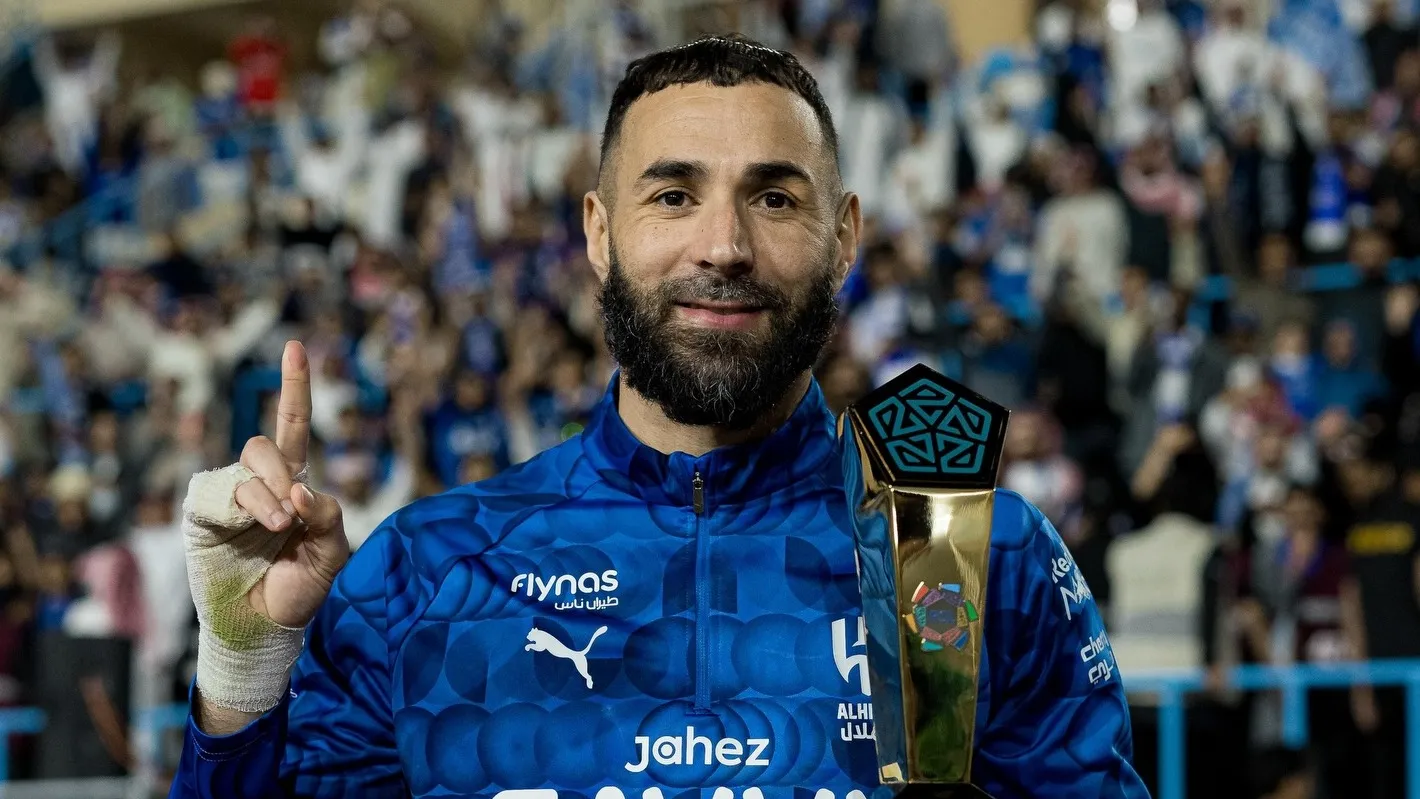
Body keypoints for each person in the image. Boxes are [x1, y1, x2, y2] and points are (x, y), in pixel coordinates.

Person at [168, 36, 1148, 798]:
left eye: (774, 197)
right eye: (673, 194)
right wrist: (245, 666)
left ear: (844, 238)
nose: (723, 245)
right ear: (599, 233)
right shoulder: (424, 575)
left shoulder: (972, 555)